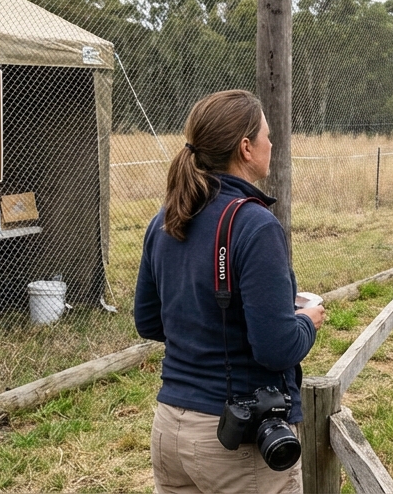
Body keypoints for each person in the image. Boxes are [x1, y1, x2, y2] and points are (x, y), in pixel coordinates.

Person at [135, 90, 324, 494]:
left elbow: (148, 321)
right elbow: (276, 347)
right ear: (245, 147)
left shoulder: (166, 220)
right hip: (236, 442)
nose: (271, 144)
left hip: (170, 427)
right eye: (267, 136)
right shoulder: (255, 226)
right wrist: (306, 322)